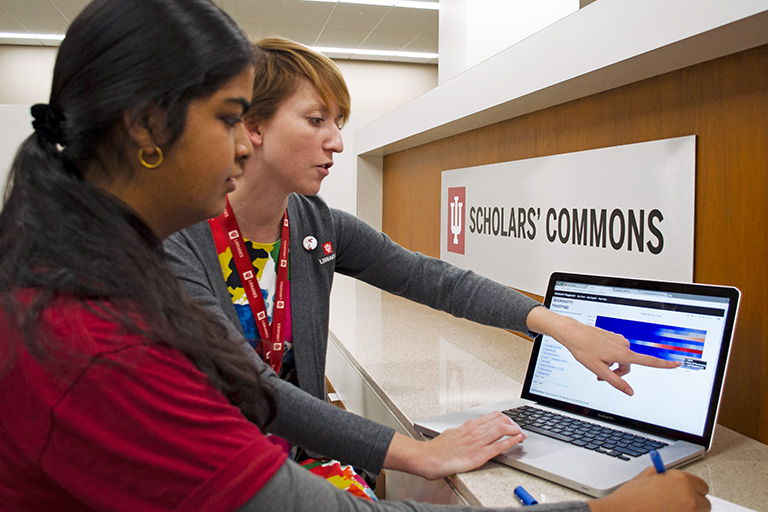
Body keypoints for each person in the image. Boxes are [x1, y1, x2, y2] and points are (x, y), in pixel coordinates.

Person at [0, 1, 709, 510]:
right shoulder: (103, 336)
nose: (243, 146)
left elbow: (433, 278)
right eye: (228, 119)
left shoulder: (104, 271)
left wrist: (554, 322)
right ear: (148, 129)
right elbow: (261, 398)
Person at [164, 38, 681, 466]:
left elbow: (434, 279)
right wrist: (417, 455)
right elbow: (252, 387)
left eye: (338, 122)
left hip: (296, 462)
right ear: (253, 128)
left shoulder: (317, 226)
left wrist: (556, 325)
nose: (337, 143)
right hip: (211, 473)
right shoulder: (177, 238)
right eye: (316, 120)